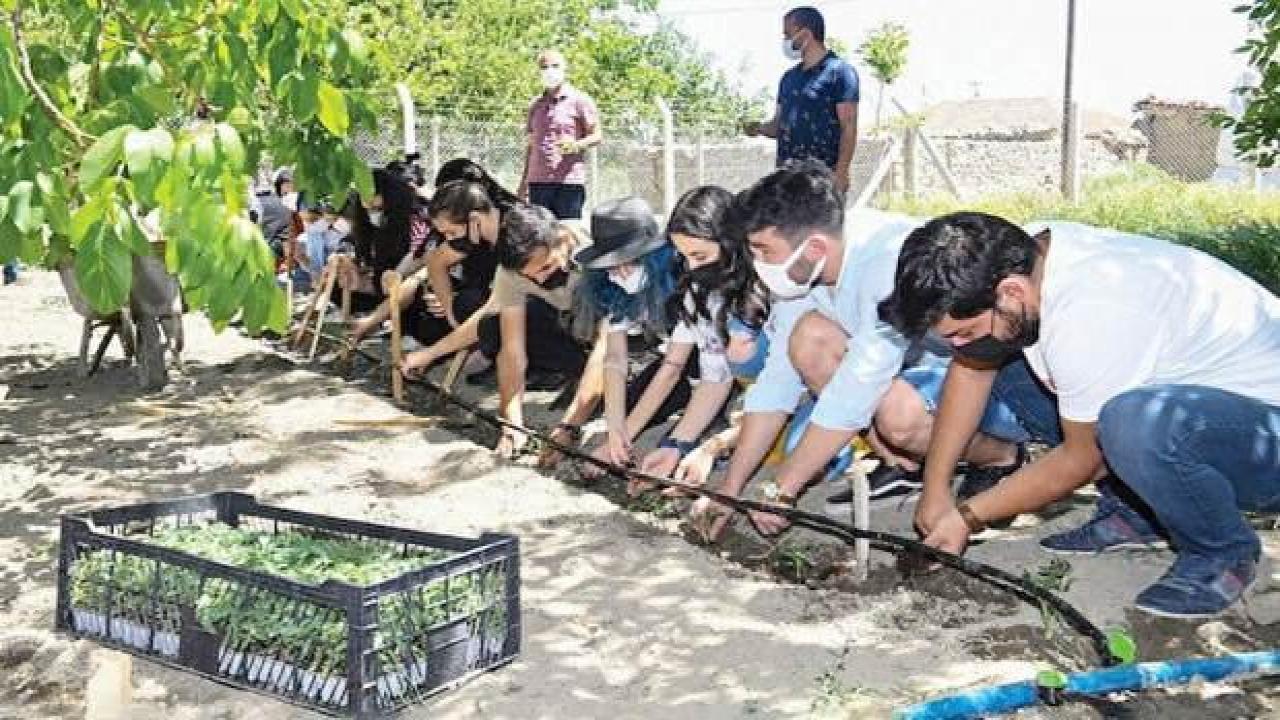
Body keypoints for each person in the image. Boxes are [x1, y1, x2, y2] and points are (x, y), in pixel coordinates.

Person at [877, 213, 1280, 618]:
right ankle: (1138, 510)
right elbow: (970, 370)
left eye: (964, 331)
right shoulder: (1014, 258)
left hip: (1265, 435)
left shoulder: (1092, 310)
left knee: (1132, 423)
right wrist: (935, 489)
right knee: (1010, 367)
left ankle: (1222, 551)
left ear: (1012, 292)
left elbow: (1083, 458)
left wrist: (966, 518)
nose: (960, 345)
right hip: (1203, 409)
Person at [691, 161, 1028, 542]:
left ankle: (1002, 455)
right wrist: (731, 488)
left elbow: (856, 390)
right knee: (808, 338)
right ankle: (904, 464)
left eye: (764, 251)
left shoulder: (885, 263)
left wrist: (781, 489)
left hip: (991, 386)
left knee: (896, 415)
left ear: (814, 247)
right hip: (910, 376)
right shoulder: (807, 271)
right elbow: (777, 382)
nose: (758, 265)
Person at [401, 204, 590, 456]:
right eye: (530, 277)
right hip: (569, 332)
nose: (541, 280)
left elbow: (610, 346)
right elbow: (512, 350)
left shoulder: (595, 249)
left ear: (562, 239)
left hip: (615, 336)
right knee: (495, 326)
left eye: (546, 267)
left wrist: (571, 425)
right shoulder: (510, 273)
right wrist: (512, 424)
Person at [744, 7, 860, 195]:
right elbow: (779, 126)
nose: (785, 41)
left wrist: (841, 172)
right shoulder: (788, 78)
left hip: (822, 182)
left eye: (787, 34)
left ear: (805, 34)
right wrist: (758, 128)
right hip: (787, 181)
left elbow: (849, 126)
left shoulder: (839, 73)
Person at [517, 49, 602, 220]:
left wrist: (576, 145)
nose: (550, 71)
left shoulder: (580, 101)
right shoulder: (536, 105)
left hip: (568, 182)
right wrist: (523, 183)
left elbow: (597, 135)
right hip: (538, 183)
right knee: (540, 232)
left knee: (567, 231)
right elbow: (531, 146)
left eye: (555, 66)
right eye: (544, 67)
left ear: (565, 69)